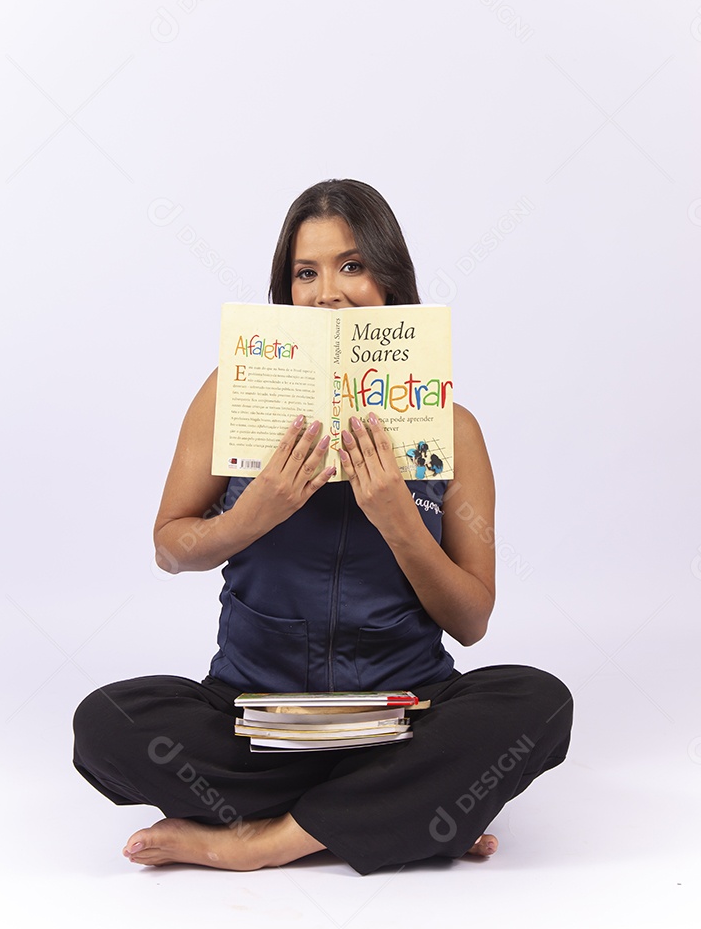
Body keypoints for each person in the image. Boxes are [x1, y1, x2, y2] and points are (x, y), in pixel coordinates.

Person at [72, 178, 573, 875]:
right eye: (305, 272)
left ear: (390, 279)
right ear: (286, 290)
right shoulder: (231, 392)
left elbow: (472, 620)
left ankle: (267, 839)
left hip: (403, 715)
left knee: (540, 704)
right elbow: (170, 547)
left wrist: (402, 523)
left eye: (352, 265)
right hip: (256, 715)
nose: (328, 292)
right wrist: (250, 517)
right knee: (105, 724)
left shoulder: (453, 430)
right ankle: (402, 815)